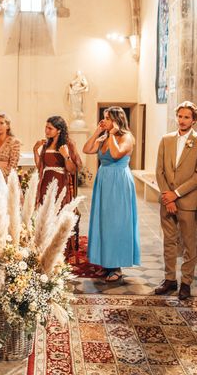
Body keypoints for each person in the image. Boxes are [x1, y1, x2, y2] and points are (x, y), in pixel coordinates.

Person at [154, 101, 197, 300]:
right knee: (169, 241)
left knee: (189, 243)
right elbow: (159, 171)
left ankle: (186, 282)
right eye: (180, 116)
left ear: (194, 120)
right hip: (166, 200)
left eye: (187, 117)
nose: (182, 120)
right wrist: (167, 196)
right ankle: (170, 279)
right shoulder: (166, 139)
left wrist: (176, 194)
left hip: (187, 201)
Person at [83, 107, 140, 283]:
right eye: (103, 118)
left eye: (107, 118)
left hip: (119, 182)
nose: (104, 120)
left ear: (116, 120)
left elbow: (116, 154)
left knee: (116, 222)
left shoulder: (127, 137)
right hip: (104, 181)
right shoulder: (105, 137)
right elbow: (87, 149)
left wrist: (113, 135)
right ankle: (106, 263)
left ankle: (117, 267)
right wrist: (98, 131)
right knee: (104, 221)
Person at [33, 116, 81, 207]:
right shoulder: (46, 144)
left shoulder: (68, 144)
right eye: (46, 128)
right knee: (45, 211)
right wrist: (35, 150)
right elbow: (40, 166)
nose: (46, 131)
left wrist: (66, 156)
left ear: (59, 130)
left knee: (58, 209)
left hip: (60, 182)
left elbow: (73, 170)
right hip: (46, 181)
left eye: (50, 128)